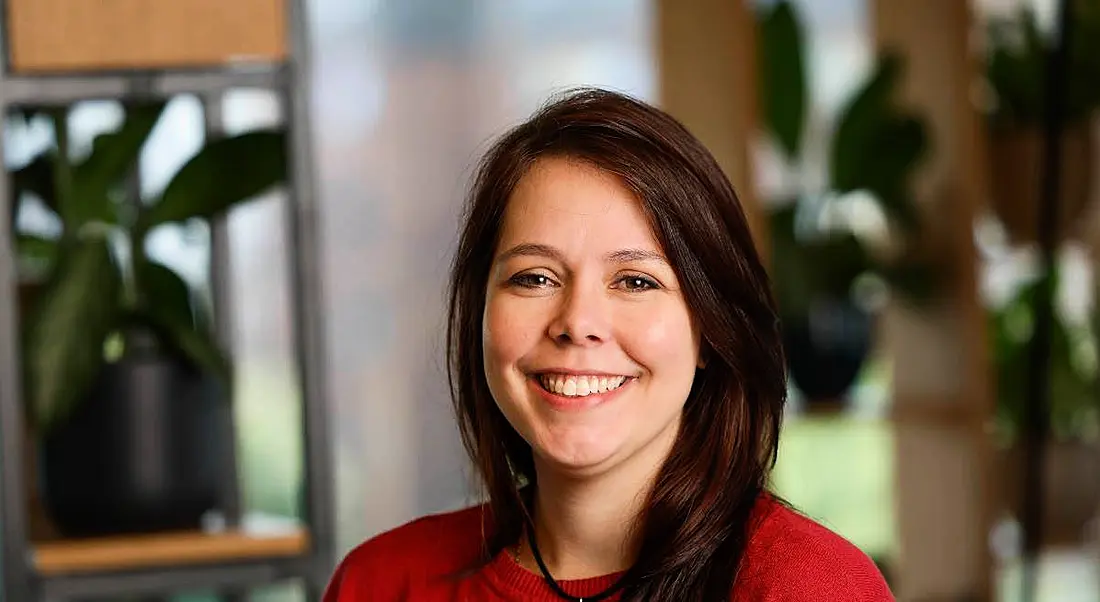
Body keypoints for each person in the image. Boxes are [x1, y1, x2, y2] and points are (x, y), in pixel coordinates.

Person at [323, 88, 895, 601]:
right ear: (481, 311)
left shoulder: (809, 586)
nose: (578, 322)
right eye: (535, 277)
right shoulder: (378, 583)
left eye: (636, 282)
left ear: (707, 331)